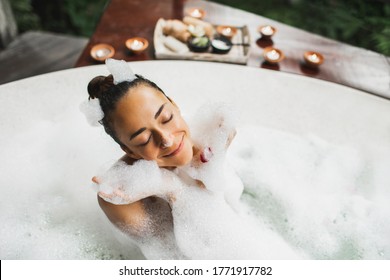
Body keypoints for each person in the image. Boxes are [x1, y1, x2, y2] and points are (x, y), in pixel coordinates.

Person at [82, 59, 240, 259]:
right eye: (144, 139)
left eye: (166, 118)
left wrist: (219, 152)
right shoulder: (119, 195)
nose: (166, 139)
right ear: (128, 150)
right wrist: (169, 188)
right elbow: (179, 258)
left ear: (174, 105)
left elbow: (221, 195)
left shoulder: (206, 133)